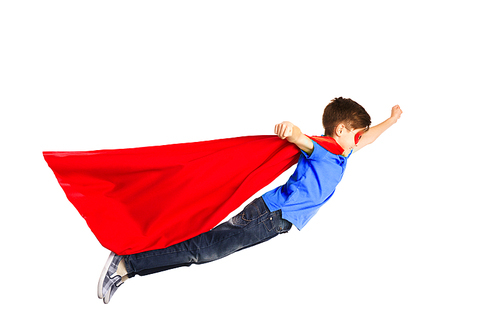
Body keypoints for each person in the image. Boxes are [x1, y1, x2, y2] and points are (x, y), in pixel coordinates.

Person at [97, 97, 403, 303]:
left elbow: (370, 137)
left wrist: (391, 121)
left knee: (203, 251)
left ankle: (129, 265)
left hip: (272, 221)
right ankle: (126, 262)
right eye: (357, 135)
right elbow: (300, 138)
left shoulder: (342, 154)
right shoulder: (324, 150)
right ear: (341, 130)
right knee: (201, 252)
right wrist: (290, 130)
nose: (361, 140)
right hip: (267, 215)